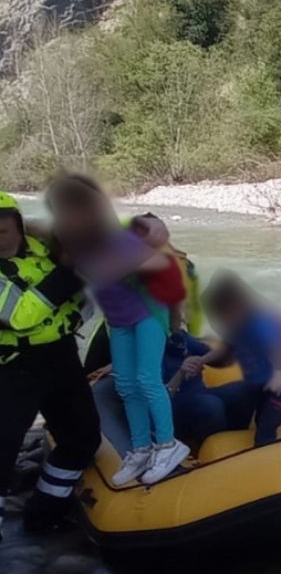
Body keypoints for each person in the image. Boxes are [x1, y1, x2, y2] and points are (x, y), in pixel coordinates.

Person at [46, 175, 188, 486]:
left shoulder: (117, 238)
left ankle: (168, 444)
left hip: (148, 313)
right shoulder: (69, 242)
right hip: (119, 320)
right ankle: (140, 448)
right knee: (125, 384)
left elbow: (158, 266)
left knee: (147, 378)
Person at [0, 192, 100, 539]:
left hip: (61, 358)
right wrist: (72, 274)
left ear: (16, 224)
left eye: (4, 224)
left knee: (81, 438)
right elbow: (18, 315)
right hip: (13, 367)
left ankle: (45, 515)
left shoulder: (41, 247)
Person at [188, 271, 281, 446]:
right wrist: (202, 360)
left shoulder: (259, 323)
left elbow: (278, 348)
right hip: (257, 384)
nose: (221, 322)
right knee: (240, 419)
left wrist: (278, 376)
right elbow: (225, 349)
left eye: (223, 315)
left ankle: (266, 450)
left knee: (265, 430)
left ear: (238, 307)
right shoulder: (236, 328)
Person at [92, 330, 228, 456]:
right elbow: (159, 398)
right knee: (210, 405)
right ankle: (199, 452)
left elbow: (217, 354)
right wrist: (181, 373)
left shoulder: (179, 338)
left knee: (239, 392)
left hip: (197, 394)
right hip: (174, 408)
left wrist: (201, 360)